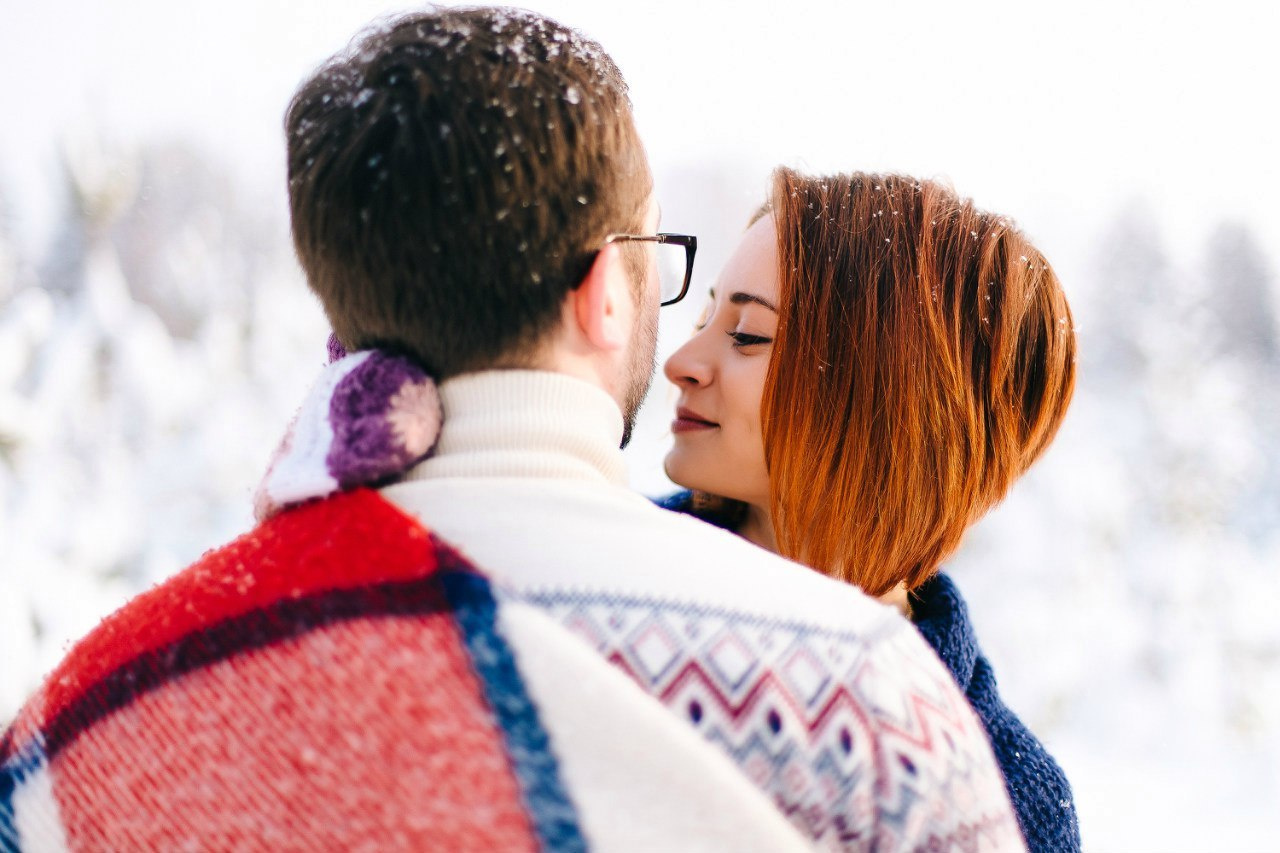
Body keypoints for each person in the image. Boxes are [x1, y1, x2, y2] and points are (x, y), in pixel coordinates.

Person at [0, 10, 1025, 851]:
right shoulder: (869, 713)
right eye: (686, 291)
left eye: (745, 331)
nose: (684, 357)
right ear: (602, 295)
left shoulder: (79, 726)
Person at [660, 167, 1081, 852]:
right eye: (707, 316)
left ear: (883, 397)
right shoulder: (595, 588)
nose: (681, 360)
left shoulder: (1000, 797)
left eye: (746, 335)